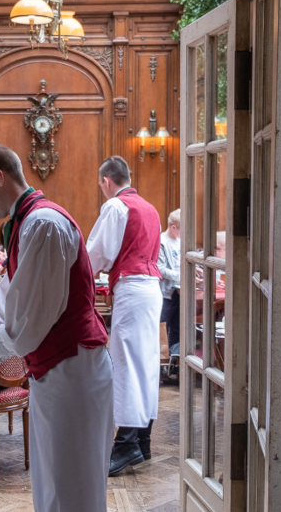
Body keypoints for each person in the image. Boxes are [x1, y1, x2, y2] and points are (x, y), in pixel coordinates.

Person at [0, 142, 113, 512]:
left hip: (74, 369)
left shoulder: (43, 225)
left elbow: (31, 321)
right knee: (53, 484)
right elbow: (8, 312)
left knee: (74, 489)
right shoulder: (28, 224)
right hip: (56, 371)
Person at [86, 155, 163, 476]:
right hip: (152, 289)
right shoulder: (151, 209)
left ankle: (126, 443)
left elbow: (96, 253)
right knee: (145, 362)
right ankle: (143, 437)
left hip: (131, 290)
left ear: (107, 181)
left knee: (125, 363)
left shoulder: (117, 207)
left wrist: (80, 274)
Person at [158, 209, 181, 354]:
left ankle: (175, 361)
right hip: (166, 292)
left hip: (180, 291)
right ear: (173, 227)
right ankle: (162, 362)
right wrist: (182, 275)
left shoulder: (180, 241)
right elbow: (160, 269)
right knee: (161, 325)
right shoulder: (161, 242)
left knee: (177, 328)